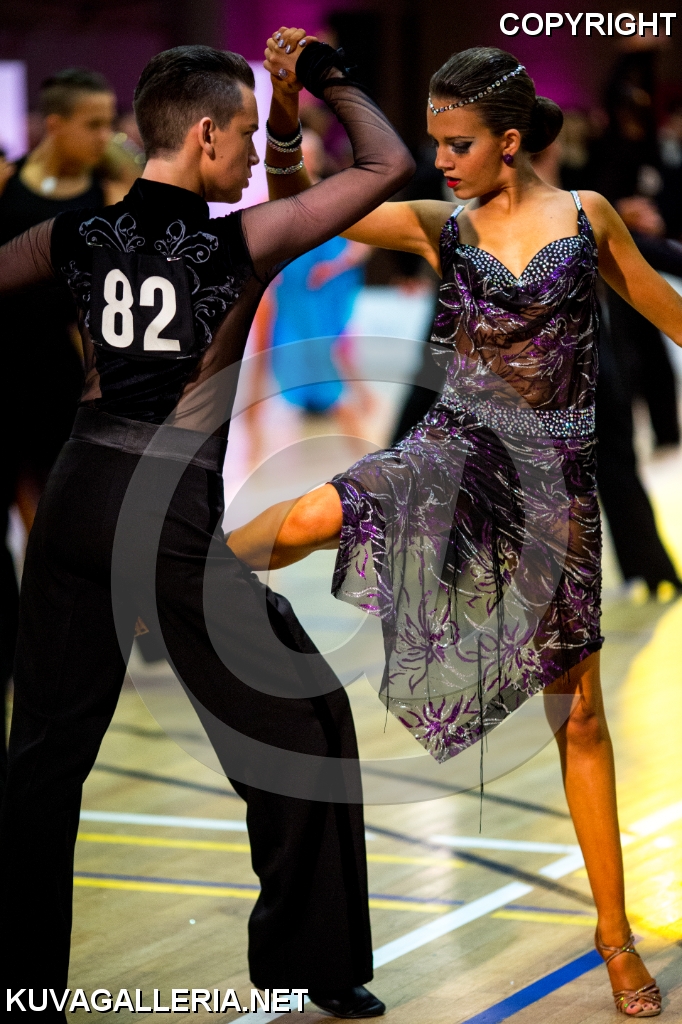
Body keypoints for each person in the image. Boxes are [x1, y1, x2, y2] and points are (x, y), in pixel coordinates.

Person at [229, 46, 682, 1018]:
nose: (438, 159)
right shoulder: (442, 223)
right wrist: (283, 110)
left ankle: (613, 935)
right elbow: (307, 204)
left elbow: (664, 307)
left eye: (456, 143)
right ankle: (188, 567)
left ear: (509, 142)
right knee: (312, 514)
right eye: (433, 141)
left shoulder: (587, 216)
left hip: (556, 487)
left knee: (580, 717)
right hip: (456, 452)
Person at [0, 35, 414, 1020]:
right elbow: (387, 163)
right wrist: (325, 73)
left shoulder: (70, 235)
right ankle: (319, 962)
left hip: (73, 499)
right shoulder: (245, 241)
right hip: (164, 516)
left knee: (44, 761)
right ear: (204, 134)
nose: (251, 151)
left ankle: (21, 988)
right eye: (244, 131)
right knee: (308, 716)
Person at [0, 69, 139, 784]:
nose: (104, 133)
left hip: (64, 381)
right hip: (4, 379)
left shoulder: (108, 188)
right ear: (53, 124)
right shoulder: (7, 185)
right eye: (93, 122)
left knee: (57, 519)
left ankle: (64, 648)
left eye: (110, 120)